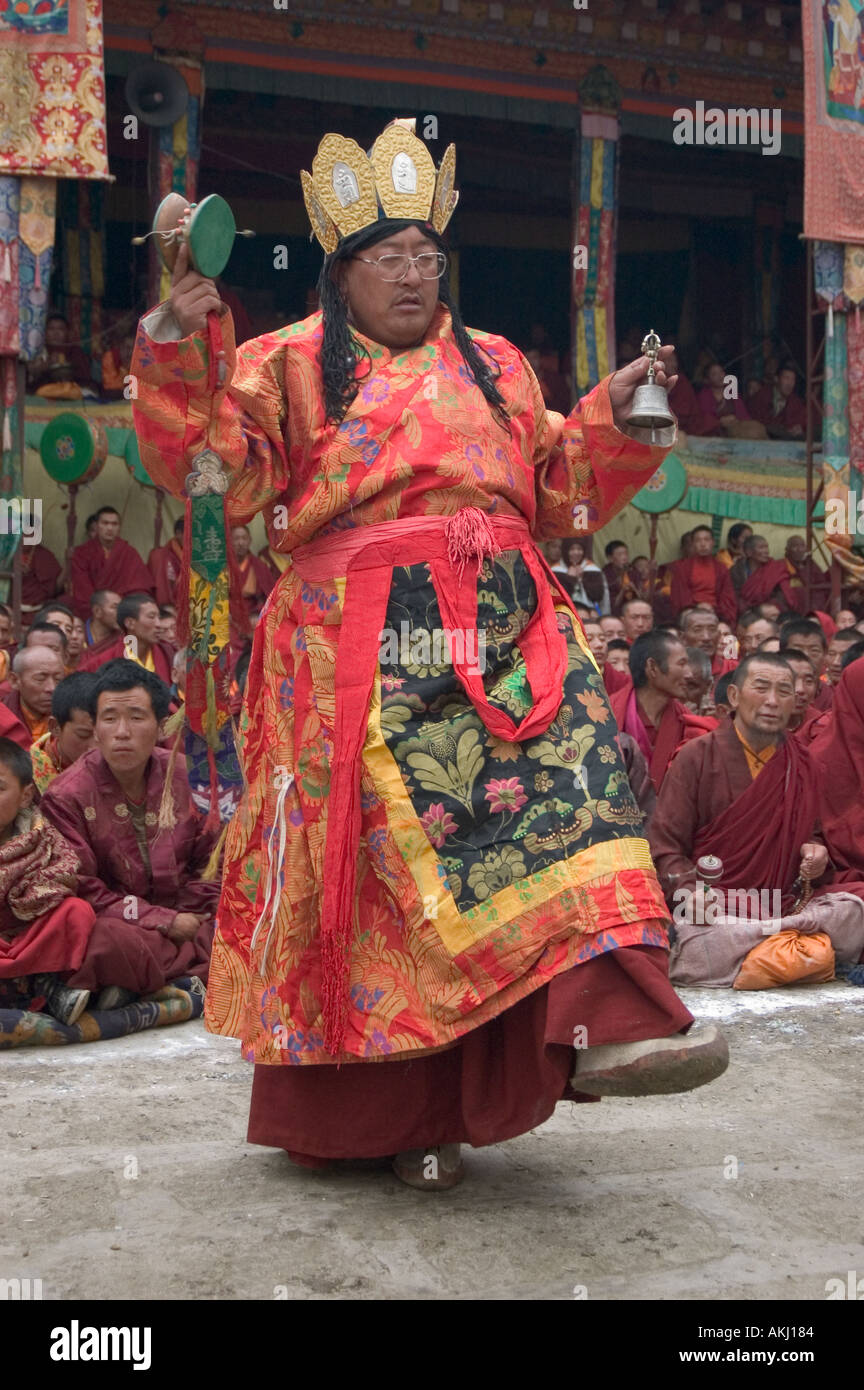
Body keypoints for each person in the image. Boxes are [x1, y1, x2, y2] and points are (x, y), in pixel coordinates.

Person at [130, 117, 727, 1187]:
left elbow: (558, 491)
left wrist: (625, 415)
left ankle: (615, 1022)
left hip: (502, 627)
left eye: (427, 257)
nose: (411, 274)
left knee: (578, 794)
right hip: (356, 646)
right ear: (340, 270)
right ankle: (397, 1115)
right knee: (390, 882)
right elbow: (209, 476)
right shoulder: (282, 370)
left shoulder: (496, 366)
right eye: (386, 258)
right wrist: (176, 345)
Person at [40, 661, 219, 1005]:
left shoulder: (188, 776)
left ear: (161, 725)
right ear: (95, 727)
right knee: (101, 941)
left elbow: (212, 862)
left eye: (136, 717)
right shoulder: (66, 796)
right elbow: (82, 887)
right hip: (120, 923)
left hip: (192, 919)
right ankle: (185, 974)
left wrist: (188, 918)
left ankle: (142, 979)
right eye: (109, 719)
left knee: (242, 918)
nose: (122, 732)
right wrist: (163, 921)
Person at [648, 654, 828, 912]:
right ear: (733, 696)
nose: (773, 701)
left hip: (782, 903)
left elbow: (813, 833)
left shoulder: (802, 764)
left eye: (784, 691)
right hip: (713, 904)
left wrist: (816, 851)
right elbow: (665, 847)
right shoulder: (697, 756)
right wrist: (689, 891)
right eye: (761, 688)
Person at [0, 737, 97, 1026]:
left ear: (26, 795)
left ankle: (36, 980)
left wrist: (27, 897)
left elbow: (65, 874)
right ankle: (38, 986)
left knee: (76, 912)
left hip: (28, 935)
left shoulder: (42, 835)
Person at [609, 631, 716, 792]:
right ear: (652, 668)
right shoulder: (607, 713)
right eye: (681, 664)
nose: (689, 674)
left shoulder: (690, 724)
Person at [68, 506, 154, 621]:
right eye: (105, 523)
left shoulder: (129, 553)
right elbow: (82, 590)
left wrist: (122, 608)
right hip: (94, 609)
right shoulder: (82, 553)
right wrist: (102, 608)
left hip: (124, 611)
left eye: (114, 524)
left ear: (119, 528)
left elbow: (140, 588)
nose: (110, 528)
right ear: (97, 526)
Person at [78, 593, 175, 684]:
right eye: (151, 617)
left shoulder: (168, 653)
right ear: (130, 623)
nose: (158, 624)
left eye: (159, 617)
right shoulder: (102, 662)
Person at [30, 672, 98, 793]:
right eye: (83, 735)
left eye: (102, 735)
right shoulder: (26, 777)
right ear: (55, 727)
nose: (94, 747)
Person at [669, 524, 737, 625]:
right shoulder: (683, 568)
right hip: (690, 612)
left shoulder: (721, 568)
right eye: (698, 540)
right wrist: (697, 607)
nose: (703, 544)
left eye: (706, 540)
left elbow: (727, 596)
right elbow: (679, 596)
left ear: (713, 542)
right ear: (692, 544)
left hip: (716, 612)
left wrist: (714, 609)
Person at [3, 647, 65, 743]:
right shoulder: (3, 718)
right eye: (40, 678)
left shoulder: (71, 717)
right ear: (15, 680)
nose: (52, 688)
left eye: (58, 679)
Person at [730, 534, 803, 613]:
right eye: (761, 547)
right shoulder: (736, 570)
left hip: (769, 611)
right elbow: (733, 594)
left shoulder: (776, 568)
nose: (766, 551)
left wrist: (767, 606)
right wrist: (745, 608)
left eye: (766, 547)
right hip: (744, 612)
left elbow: (784, 594)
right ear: (749, 552)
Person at [26, 313, 93, 396]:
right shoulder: (37, 350)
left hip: (70, 390)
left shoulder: (75, 350)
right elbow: (29, 375)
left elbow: (84, 376)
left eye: (61, 329)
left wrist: (65, 364)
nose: (56, 333)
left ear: (67, 332)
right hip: (43, 390)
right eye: (51, 329)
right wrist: (48, 364)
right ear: (45, 332)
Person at [749, 364, 807, 440]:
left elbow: (801, 423)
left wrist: (799, 428)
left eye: (793, 379)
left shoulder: (795, 402)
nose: (790, 383)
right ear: (776, 379)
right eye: (786, 378)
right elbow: (755, 419)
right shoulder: (763, 395)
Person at [679, 606, 736, 679]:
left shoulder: (733, 669)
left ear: (718, 636)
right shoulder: (676, 671)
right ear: (683, 638)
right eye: (697, 630)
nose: (706, 637)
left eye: (712, 630)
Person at [230, 525, 274, 618]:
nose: (240, 543)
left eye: (244, 538)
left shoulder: (259, 566)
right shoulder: (225, 566)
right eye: (236, 539)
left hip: (253, 615)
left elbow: (269, 597)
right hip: (229, 616)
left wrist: (257, 613)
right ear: (229, 541)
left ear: (249, 541)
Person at [666, 351, 712, 436]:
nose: (674, 364)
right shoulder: (652, 381)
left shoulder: (681, 381)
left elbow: (687, 410)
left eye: (675, 361)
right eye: (669, 360)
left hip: (685, 425)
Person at [559, 538, 609, 614]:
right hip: (565, 613)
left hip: (590, 613)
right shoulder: (557, 570)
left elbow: (598, 597)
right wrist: (569, 579)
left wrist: (582, 578)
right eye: (572, 549)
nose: (576, 552)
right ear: (565, 551)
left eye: (579, 549)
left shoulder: (592, 569)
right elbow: (558, 597)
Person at [583, 617, 629, 695]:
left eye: (602, 639)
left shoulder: (623, 682)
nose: (599, 645)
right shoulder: (563, 679)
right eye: (589, 639)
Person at [783, 536, 830, 612]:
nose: (799, 549)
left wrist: (803, 567)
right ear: (787, 550)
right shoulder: (782, 565)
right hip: (793, 609)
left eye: (802, 546)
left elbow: (821, 583)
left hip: (815, 606)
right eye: (795, 546)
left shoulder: (810, 564)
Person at [779, 648, 820, 732]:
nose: (800, 689)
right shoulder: (756, 724)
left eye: (808, 681)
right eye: (792, 679)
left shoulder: (819, 723)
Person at [148, 519, 185, 609]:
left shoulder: (194, 555)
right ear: (178, 533)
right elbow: (164, 589)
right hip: (170, 608)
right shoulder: (163, 556)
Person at [20, 542, 61, 620]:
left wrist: (68, 563)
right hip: (10, 608)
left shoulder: (44, 555)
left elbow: (54, 588)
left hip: (38, 610)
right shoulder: (7, 553)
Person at [603, 539, 637, 612]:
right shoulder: (605, 574)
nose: (625, 558)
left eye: (626, 554)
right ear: (610, 558)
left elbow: (643, 598)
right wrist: (623, 591)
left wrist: (634, 589)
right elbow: (610, 605)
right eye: (620, 555)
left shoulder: (633, 571)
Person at [683, 646, 714, 714]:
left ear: (709, 686)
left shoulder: (717, 718)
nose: (681, 694)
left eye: (691, 687)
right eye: (678, 684)